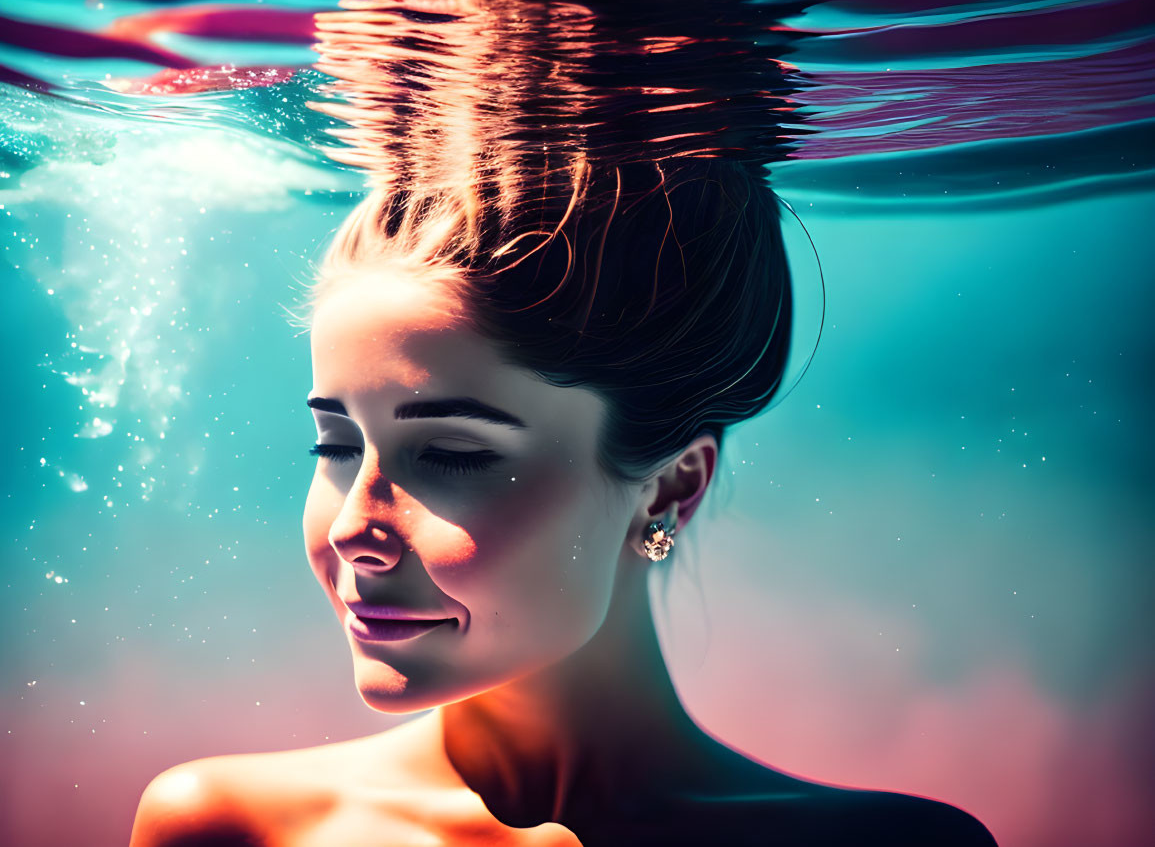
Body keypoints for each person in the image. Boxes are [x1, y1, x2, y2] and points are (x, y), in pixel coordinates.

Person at [129, 157, 997, 846]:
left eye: (449, 455)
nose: (354, 525)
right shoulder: (222, 829)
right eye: (336, 446)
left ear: (669, 487)